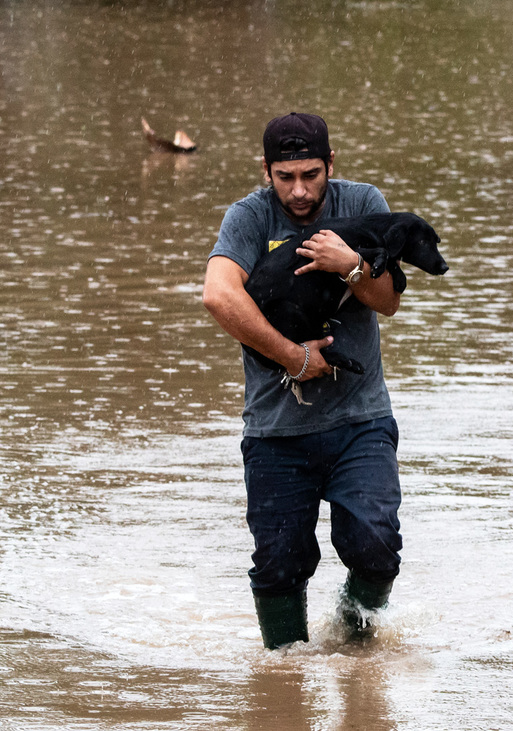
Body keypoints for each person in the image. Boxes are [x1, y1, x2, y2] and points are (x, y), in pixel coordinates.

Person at [202, 112, 406, 649]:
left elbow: (389, 303)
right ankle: (283, 680)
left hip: (360, 419)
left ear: (331, 164)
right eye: (285, 177)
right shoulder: (247, 218)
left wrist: (351, 265)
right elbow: (219, 296)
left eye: (311, 175)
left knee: (377, 546)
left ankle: (354, 633)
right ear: (265, 170)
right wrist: (294, 358)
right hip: (276, 429)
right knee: (278, 565)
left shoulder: (363, 204)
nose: (298, 190)